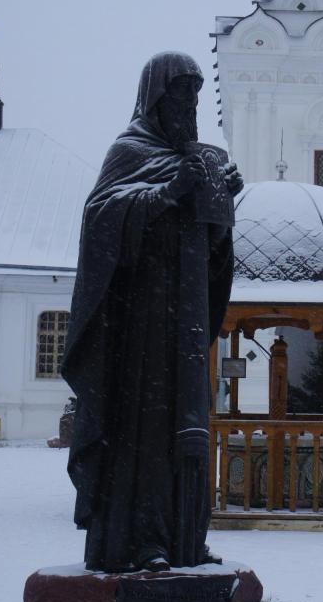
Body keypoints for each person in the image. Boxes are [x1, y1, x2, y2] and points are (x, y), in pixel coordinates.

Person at [62, 52, 243, 573]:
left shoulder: (201, 159)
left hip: (184, 321)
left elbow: (212, 257)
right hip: (139, 326)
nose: (190, 105)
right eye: (180, 93)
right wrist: (168, 192)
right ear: (156, 98)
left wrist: (221, 210)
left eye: (195, 94)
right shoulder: (129, 151)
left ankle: (187, 537)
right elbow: (101, 222)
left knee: (188, 428)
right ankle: (142, 540)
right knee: (145, 430)